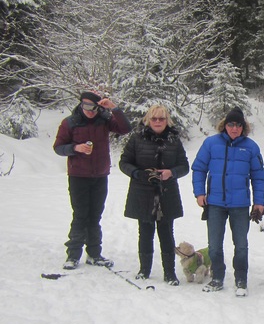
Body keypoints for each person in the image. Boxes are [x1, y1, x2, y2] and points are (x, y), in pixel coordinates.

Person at [192, 107, 264, 297]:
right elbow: (199, 168)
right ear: (225, 126)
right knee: (214, 245)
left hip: (240, 205)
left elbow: (258, 177)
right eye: (231, 124)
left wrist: (259, 202)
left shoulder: (251, 147)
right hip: (215, 203)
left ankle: (241, 279)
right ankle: (217, 277)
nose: (234, 128)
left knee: (241, 245)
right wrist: (199, 193)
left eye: (238, 125)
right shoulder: (211, 144)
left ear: (243, 127)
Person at [53, 90, 132, 270]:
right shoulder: (70, 122)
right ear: (80, 104)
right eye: (85, 105)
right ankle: (73, 255)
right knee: (80, 215)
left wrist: (114, 108)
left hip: (100, 176)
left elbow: (125, 128)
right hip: (78, 176)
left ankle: (94, 254)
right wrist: (76, 148)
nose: (88, 110)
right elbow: (58, 147)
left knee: (95, 216)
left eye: (93, 106)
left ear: (98, 107)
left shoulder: (103, 120)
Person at [119, 105, 189, 286]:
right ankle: (144, 270)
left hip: (167, 193)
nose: (158, 122)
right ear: (148, 120)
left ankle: (170, 273)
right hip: (142, 192)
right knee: (145, 233)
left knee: (166, 234)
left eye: (161, 119)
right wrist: (138, 174)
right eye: (154, 119)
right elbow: (124, 162)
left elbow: (184, 166)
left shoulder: (174, 141)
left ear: (167, 121)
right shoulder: (136, 139)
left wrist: (171, 173)